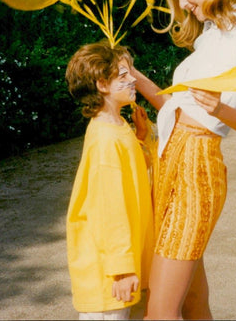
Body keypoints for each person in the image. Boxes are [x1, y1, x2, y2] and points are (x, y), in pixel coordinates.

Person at [129, 0, 236, 320]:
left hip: (196, 170)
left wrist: (221, 108)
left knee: (159, 311)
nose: (184, 3)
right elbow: (182, 107)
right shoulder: (209, 34)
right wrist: (136, 79)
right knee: (192, 303)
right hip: (167, 161)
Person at [65, 41, 155, 320]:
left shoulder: (118, 127)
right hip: (108, 275)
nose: (133, 81)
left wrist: (141, 137)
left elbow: (132, 175)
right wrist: (122, 269)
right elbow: (109, 209)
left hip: (119, 267)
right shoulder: (105, 140)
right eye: (124, 75)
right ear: (102, 84)